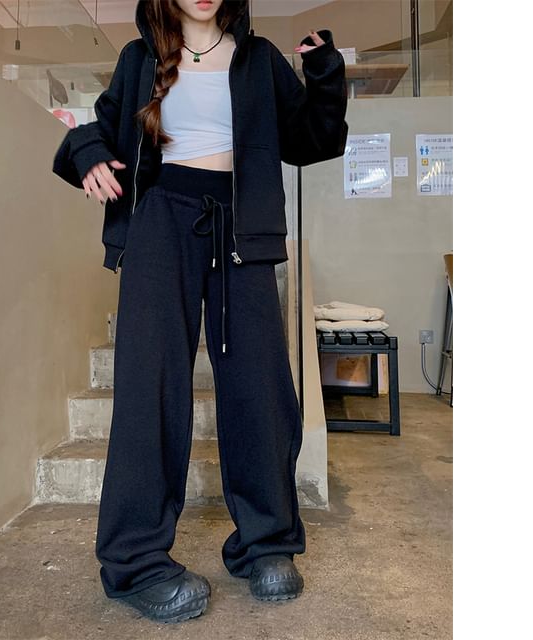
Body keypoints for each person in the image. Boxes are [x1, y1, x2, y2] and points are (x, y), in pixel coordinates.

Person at [52, 0, 348, 625]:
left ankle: (266, 543)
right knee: (150, 385)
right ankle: (135, 562)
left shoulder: (260, 60)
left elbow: (313, 139)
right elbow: (98, 128)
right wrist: (87, 155)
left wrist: (324, 74)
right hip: (161, 222)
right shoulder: (138, 59)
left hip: (243, 226)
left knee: (260, 385)